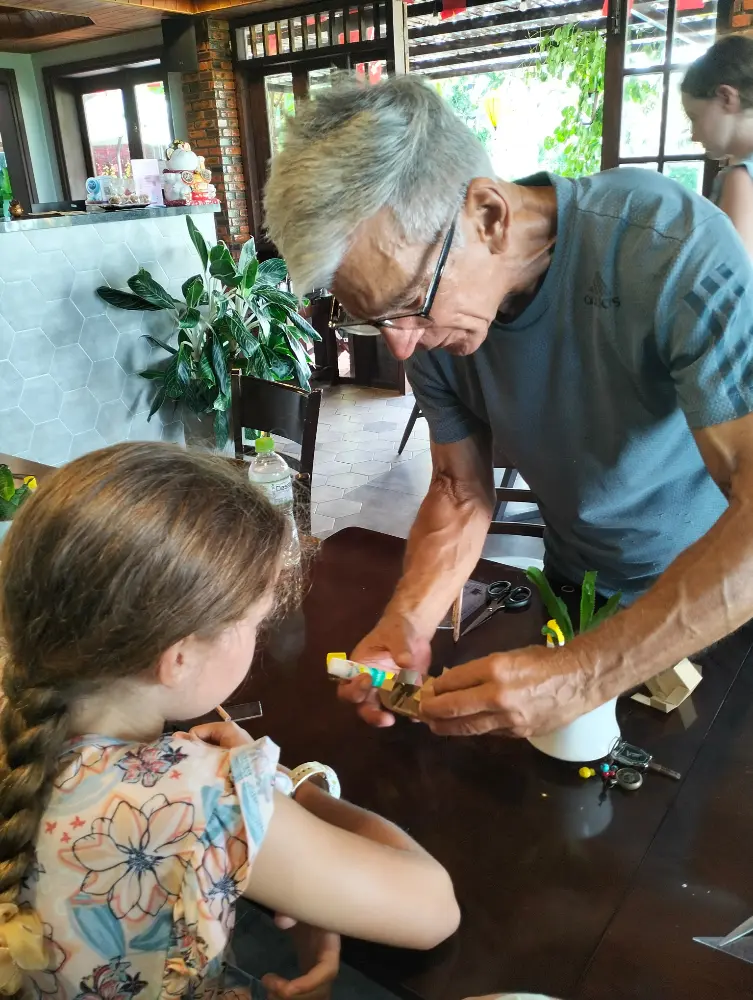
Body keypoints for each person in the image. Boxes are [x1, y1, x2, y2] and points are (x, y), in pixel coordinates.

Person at [265, 75, 753, 740]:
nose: (404, 347)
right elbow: (459, 491)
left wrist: (583, 676)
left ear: (488, 215)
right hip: (576, 589)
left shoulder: (667, 249)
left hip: (721, 606)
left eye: (410, 302)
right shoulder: (439, 326)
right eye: (377, 322)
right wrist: (406, 622)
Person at [0, 442, 460, 1000]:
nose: (260, 635)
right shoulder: (202, 797)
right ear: (179, 657)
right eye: (254, 622)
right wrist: (278, 792)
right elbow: (435, 909)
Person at [682, 34, 753, 256]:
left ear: (726, 97)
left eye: (694, 117)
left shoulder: (741, 178)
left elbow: (734, 285)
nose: (694, 135)